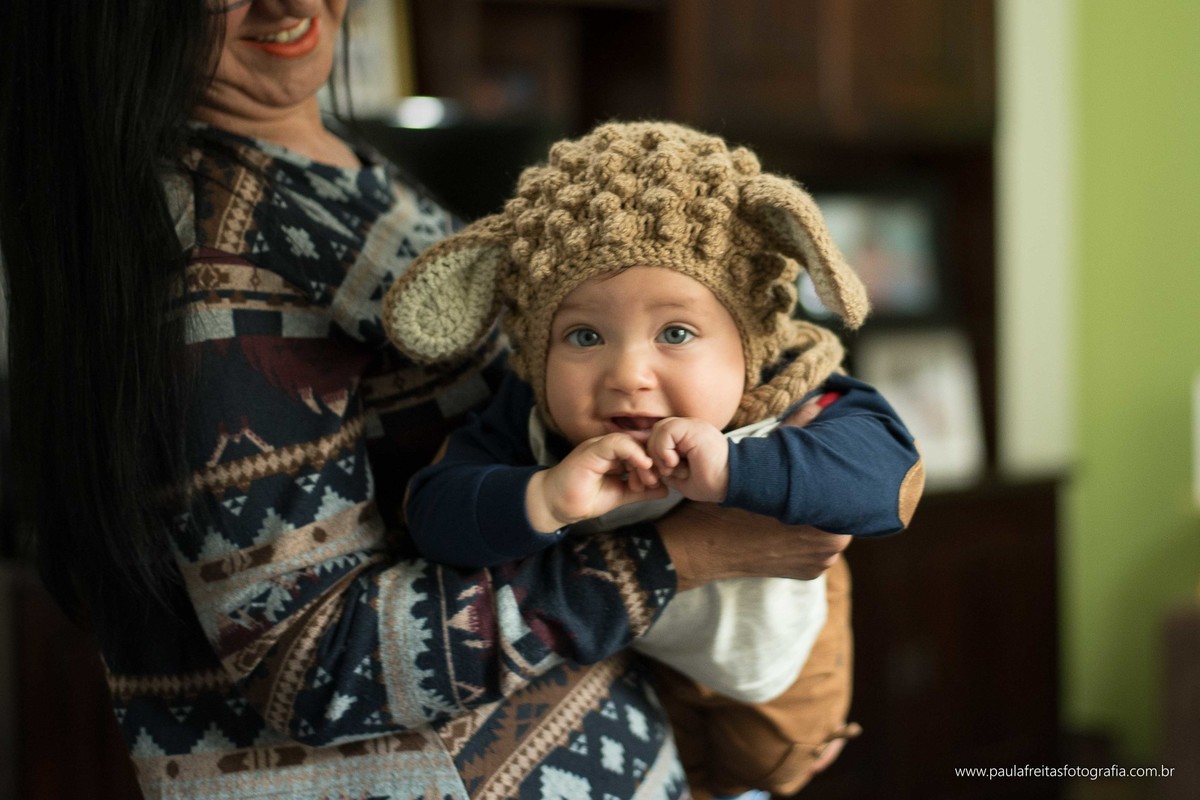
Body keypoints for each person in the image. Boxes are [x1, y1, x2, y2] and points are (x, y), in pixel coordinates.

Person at [0, 2, 857, 799]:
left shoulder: (338, 170)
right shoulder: (213, 270)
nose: (288, 1)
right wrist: (681, 559)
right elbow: (316, 668)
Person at [386, 121, 925, 799]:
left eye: (676, 332)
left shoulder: (790, 392)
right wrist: (545, 496)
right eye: (584, 335)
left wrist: (734, 470)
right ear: (534, 347)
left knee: (770, 770)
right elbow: (433, 513)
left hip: (781, 690)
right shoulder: (532, 421)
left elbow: (891, 481)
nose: (628, 374)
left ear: (749, 336)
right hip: (643, 681)